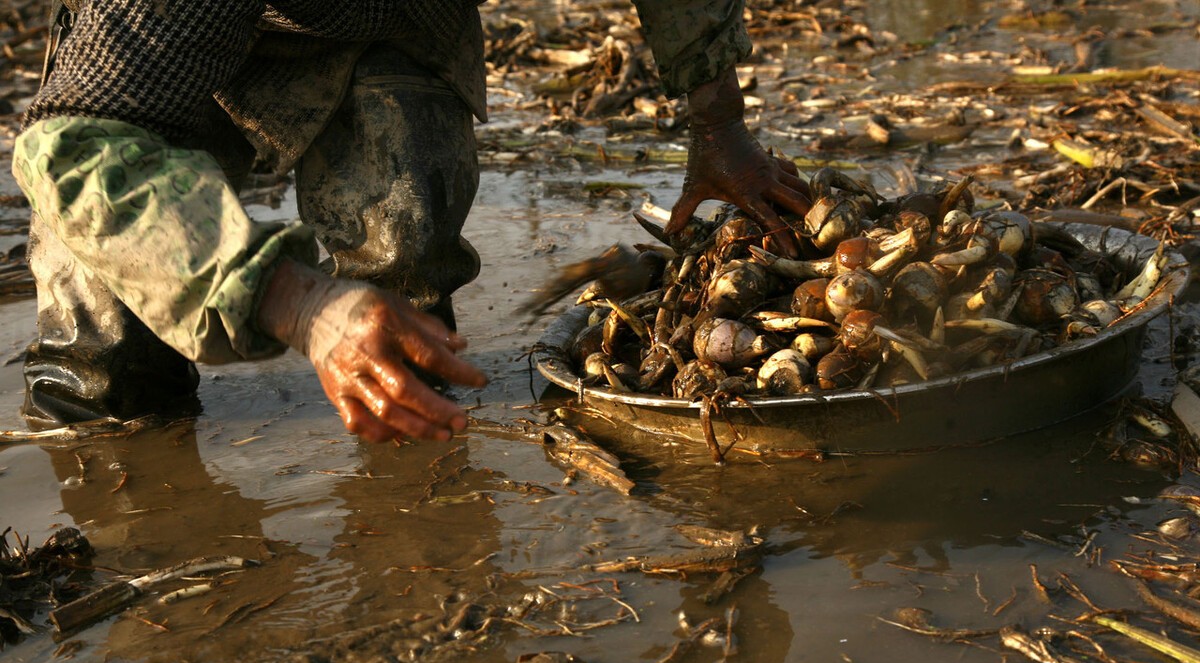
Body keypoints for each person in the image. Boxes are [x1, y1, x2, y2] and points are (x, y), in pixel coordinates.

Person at [12, 1, 811, 444]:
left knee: (409, 339)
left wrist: (721, 124)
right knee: (107, 377)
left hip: (397, 22)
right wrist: (300, 303)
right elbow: (72, 147)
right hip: (166, 59)